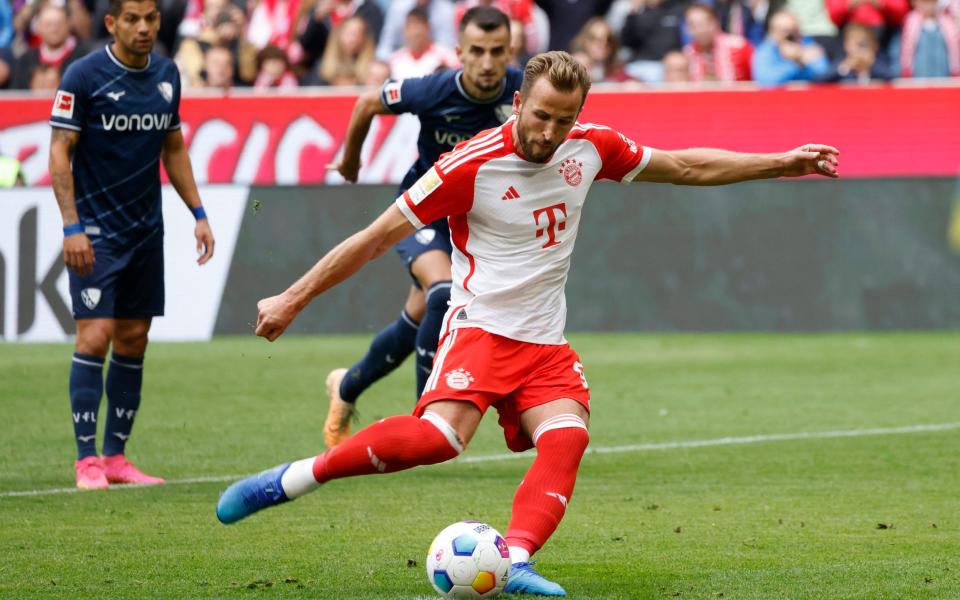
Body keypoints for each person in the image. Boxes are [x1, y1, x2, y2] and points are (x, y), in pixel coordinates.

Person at [216, 50, 839, 596]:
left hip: (544, 339)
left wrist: (785, 162)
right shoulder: (468, 165)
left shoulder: (593, 147)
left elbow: (686, 167)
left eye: (563, 120)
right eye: (539, 116)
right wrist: (292, 299)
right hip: (481, 327)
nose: (548, 132)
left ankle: (512, 561)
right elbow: (375, 239)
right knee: (439, 441)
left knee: (567, 437)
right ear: (518, 102)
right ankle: (295, 478)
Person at [321, 6, 521, 449]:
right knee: (443, 294)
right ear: (459, 53)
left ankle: (346, 387)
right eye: (477, 51)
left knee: (416, 322)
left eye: (497, 52)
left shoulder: (524, 91)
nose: (487, 63)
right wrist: (352, 158)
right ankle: (426, 417)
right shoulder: (432, 90)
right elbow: (367, 102)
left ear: (511, 50)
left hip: (478, 224)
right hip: (422, 211)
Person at [49, 0, 215, 490]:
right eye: (132, 20)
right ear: (112, 24)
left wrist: (199, 213)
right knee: (94, 337)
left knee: (133, 339)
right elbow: (60, 150)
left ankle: (117, 458)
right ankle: (86, 461)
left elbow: (174, 146)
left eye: (151, 19)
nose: (143, 28)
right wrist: (70, 225)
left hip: (146, 231)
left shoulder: (167, 74)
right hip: (95, 232)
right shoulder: (83, 76)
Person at [751, 9, 830, 86]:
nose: (790, 35)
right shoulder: (765, 51)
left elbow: (823, 72)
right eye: (785, 31)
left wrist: (800, 54)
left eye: (794, 30)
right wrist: (796, 63)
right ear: (773, 32)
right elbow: (765, 81)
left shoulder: (807, 44)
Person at [683, 3, 754, 82]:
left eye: (702, 24)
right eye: (693, 26)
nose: (699, 30)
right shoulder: (688, 53)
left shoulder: (739, 46)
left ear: (715, 23)